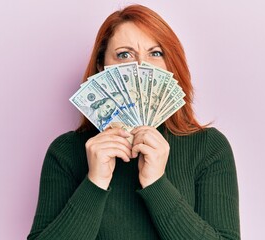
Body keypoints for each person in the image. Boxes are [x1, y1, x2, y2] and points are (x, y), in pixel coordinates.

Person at [28, 4, 240, 240]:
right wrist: (95, 182)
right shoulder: (66, 151)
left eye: (156, 53)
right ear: (101, 66)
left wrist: (156, 183)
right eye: (124, 54)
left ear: (171, 64)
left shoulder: (209, 147)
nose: (141, 67)